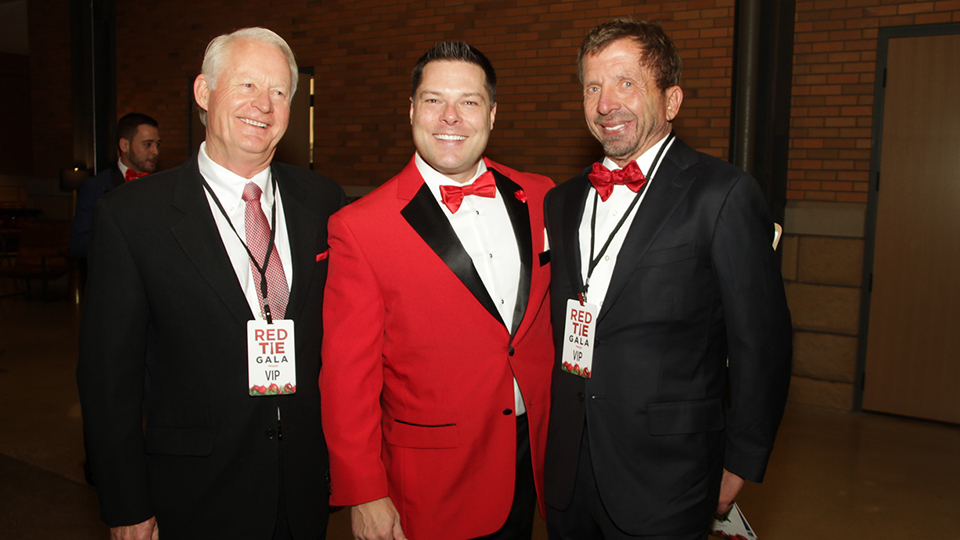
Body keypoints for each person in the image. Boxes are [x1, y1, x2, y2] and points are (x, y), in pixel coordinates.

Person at [76, 27, 345, 540]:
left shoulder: (323, 202)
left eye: (279, 92)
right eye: (246, 85)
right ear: (204, 92)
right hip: (194, 494)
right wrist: (126, 503)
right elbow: (108, 379)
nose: (263, 105)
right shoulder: (133, 217)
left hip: (304, 487)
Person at [542, 19, 792, 540]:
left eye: (626, 82)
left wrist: (741, 462)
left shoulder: (722, 195)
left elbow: (762, 342)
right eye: (593, 87)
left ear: (671, 100)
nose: (606, 103)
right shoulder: (561, 202)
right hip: (570, 468)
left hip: (668, 475)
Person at [320, 42, 555, 540]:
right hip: (431, 480)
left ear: (492, 113)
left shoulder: (540, 196)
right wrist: (365, 492)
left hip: (530, 455)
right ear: (411, 110)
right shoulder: (360, 227)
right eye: (433, 100)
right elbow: (347, 379)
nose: (450, 117)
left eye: (468, 102)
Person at [69, 113, 160, 258]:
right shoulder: (96, 186)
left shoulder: (163, 184)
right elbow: (78, 244)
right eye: (147, 144)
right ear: (124, 145)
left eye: (157, 144)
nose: (155, 151)